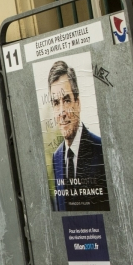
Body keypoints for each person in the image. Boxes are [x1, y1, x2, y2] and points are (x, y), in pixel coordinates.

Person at [48, 61, 109, 211]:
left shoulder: (101, 150)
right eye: (56, 103)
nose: (62, 112)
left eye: (67, 100)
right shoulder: (56, 158)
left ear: (78, 103)